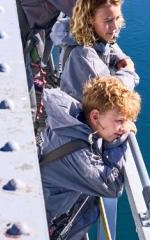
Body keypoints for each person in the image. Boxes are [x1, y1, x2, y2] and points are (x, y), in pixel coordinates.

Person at [40, 77, 141, 240]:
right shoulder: (77, 151)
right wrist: (120, 142)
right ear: (95, 116)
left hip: (45, 199)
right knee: (91, 206)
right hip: (42, 219)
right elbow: (112, 187)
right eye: (120, 121)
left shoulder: (70, 119)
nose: (124, 127)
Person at [51, 0, 139, 101]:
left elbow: (108, 47)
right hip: (84, 117)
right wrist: (128, 72)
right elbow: (112, 95)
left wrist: (119, 59)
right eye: (108, 21)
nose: (114, 27)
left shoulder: (92, 36)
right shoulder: (83, 54)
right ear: (90, 19)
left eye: (117, 18)